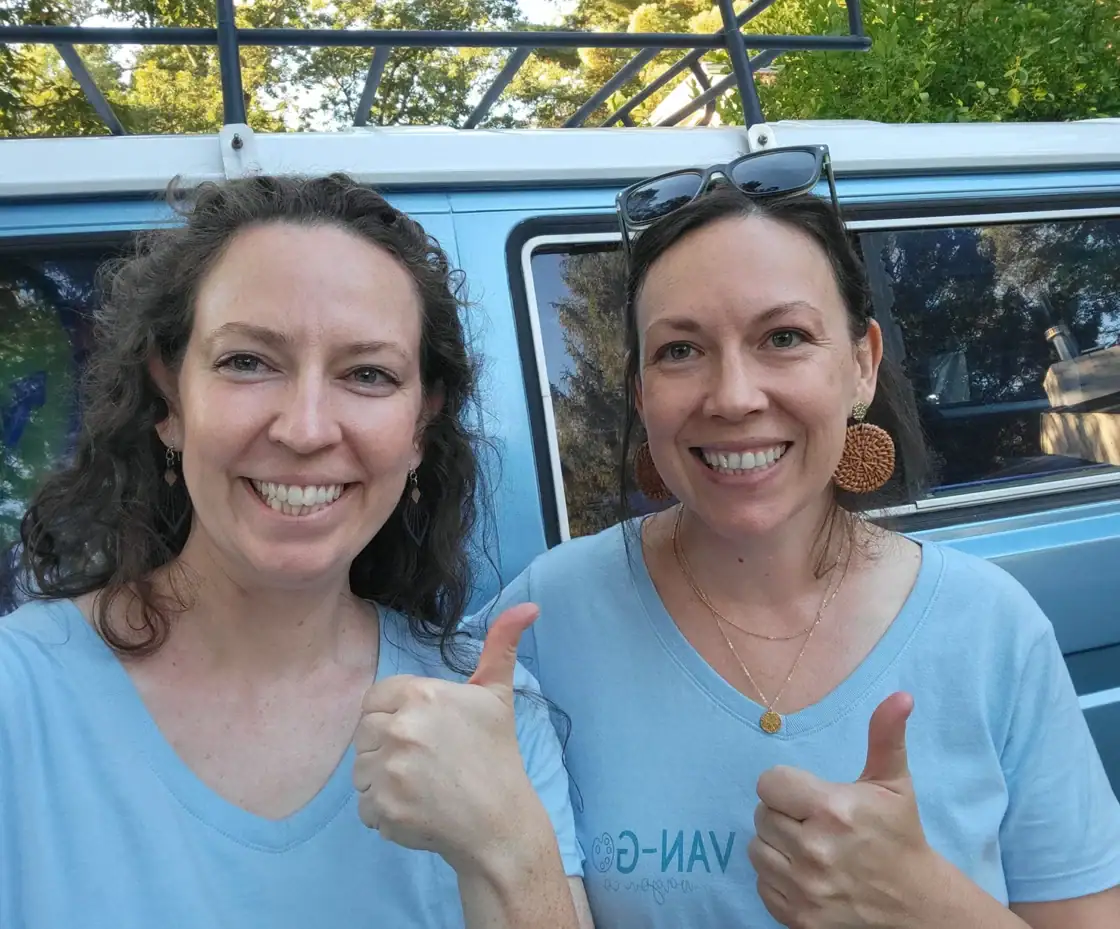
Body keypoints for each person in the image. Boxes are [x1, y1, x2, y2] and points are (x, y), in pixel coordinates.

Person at [479, 157, 1120, 928]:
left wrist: (929, 907)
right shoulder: (542, 623)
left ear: (862, 365)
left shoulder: (991, 627)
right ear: (643, 393)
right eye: (680, 349)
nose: (735, 396)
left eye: (783, 336)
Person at [0, 173, 593, 929]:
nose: (306, 428)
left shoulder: (492, 719)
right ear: (169, 400)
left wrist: (509, 846)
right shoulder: (18, 700)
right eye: (249, 361)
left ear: (420, 426)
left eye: (368, 374)